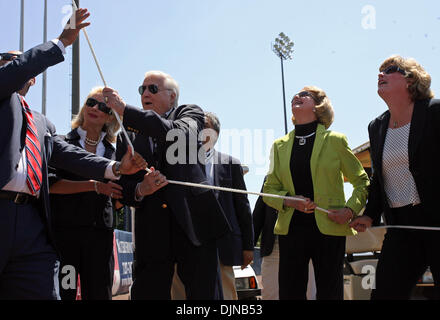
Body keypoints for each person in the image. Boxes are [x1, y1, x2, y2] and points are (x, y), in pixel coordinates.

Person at [0, 8, 146, 300]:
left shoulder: (43, 123)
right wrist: (62, 41)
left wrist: (117, 168)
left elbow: (66, 154)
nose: (14, 64)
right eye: (7, 60)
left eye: (18, 60)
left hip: (32, 223)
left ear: (34, 80)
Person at [103, 72, 230, 300]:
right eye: (142, 90)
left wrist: (125, 110)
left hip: (194, 225)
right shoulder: (127, 136)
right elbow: (124, 188)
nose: (145, 94)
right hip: (152, 231)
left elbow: (179, 135)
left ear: (172, 97)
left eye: (152, 88)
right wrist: (142, 188)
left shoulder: (190, 113)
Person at [263, 86, 369, 300]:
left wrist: (349, 211)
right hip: (291, 230)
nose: (297, 96)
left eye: (305, 95)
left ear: (319, 105)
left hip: (330, 229)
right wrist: (290, 201)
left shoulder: (336, 140)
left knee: (330, 293)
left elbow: (361, 181)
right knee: (290, 293)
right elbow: (268, 190)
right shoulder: (278, 146)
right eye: (296, 94)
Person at [350, 55, 440, 300]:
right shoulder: (376, 126)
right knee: (384, 295)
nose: (381, 74)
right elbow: (379, 178)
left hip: (437, 220)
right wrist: (370, 213)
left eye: (390, 70)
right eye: (379, 71)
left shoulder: (435, 112)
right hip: (400, 226)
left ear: (411, 80)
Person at [49, 87, 123, 300]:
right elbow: (51, 184)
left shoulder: (115, 154)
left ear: (111, 117)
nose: (94, 108)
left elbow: (122, 195)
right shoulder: (60, 143)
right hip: (65, 237)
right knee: (65, 292)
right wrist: (95, 185)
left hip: (100, 237)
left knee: (99, 293)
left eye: (103, 106)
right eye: (91, 102)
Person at [171, 111, 254, 300]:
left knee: (224, 294)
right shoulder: (175, 162)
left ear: (215, 134)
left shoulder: (231, 164)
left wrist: (248, 246)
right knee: (180, 294)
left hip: (221, 246)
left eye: (203, 126)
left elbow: (242, 207)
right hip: (184, 242)